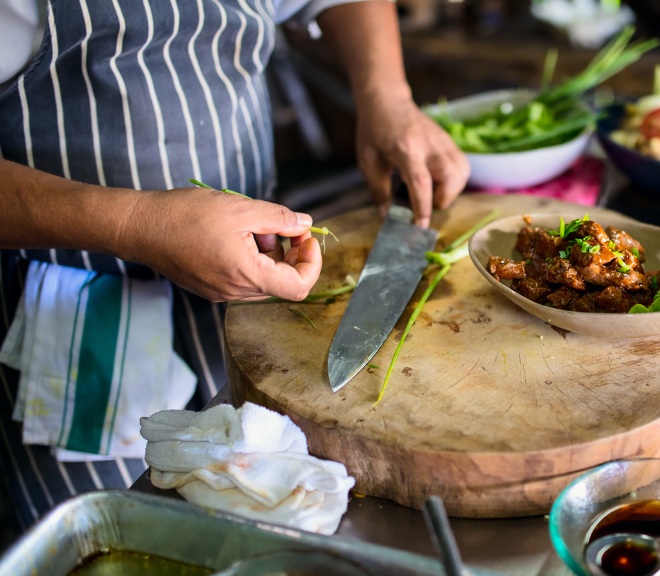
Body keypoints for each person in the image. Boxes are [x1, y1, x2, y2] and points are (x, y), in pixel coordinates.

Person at [0, 0, 469, 534]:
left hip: (262, 309)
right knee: (128, 542)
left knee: (276, 532)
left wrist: (387, 95)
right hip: (80, 326)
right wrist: (133, 222)